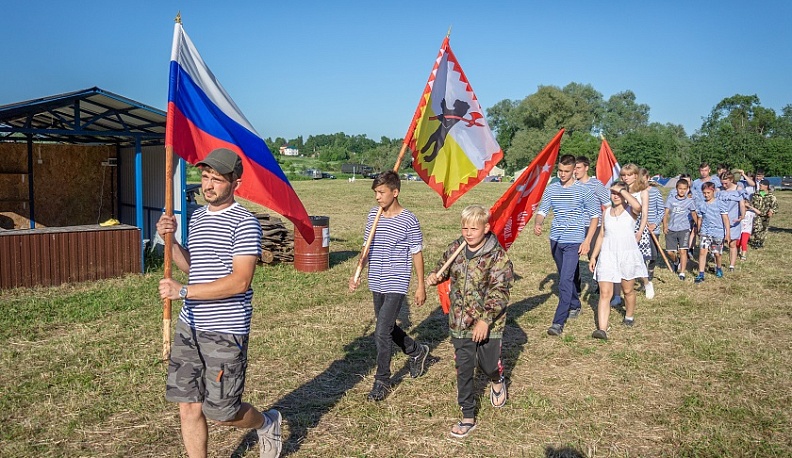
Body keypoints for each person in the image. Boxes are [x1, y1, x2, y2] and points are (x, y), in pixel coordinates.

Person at [156, 148, 282, 458]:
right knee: (188, 405)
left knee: (222, 412)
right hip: (190, 325)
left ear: (235, 183)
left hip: (225, 330)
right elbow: (192, 266)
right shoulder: (197, 217)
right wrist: (169, 241)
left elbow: (240, 281)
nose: (208, 185)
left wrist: (183, 292)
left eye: (217, 179)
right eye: (204, 177)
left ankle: (266, 422)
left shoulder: (245, 224)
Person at [426, 205, 514, 438]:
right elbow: (443, 269)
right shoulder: (456, 248)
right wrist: (435, 276)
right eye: (464, 227)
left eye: (473, 228)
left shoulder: (498, 256)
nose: (468, 232)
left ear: (486, 228)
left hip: (488, 324)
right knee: (464, 368)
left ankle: (497, 379)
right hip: (459, 322)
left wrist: (485, 321)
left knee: (487, 365)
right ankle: (467, 415)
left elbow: (500, 291)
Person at [349, 171, 429, 402]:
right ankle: (417, 351)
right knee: (389, 328)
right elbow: (366, 249)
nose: (377, 197)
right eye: (375, 192)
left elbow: (417, 253)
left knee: (381, 332)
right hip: (377, 280)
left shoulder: (409, 220)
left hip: (396, 281)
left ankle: (382, 380)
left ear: (395, 192)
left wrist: (420, 285)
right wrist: (357, 273)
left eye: (381, 192)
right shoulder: (374, 216)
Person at [534, 154, 600, 336]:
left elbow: (595, 216)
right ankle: (575, 304)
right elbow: (542, 210)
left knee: (564, 280)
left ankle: (557, 322)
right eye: (560, 170)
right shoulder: (552, 188)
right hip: (555, 239)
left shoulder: (584, 190)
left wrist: (587, 241)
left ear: (574, 171)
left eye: (567, 171)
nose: (562, 174)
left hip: (574, 240)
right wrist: (538, 222)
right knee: (566, 278)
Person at [589, 182, 648, 337]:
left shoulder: (631, 211)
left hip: (626, 255)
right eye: (613, 193)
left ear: (625, 194)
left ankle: (629, 316)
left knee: (627, 290)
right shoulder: (606, 212)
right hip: (607, 255)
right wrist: (594, 256)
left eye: (619, 193)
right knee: (604, 293)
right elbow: (602, 234)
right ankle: (602, 329)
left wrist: (622, 190)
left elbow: (639, 207)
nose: (615, 196)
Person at [610, 164, 654, 305]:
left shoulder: (643, 192)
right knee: (617, 262)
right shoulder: (620, 191)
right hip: (622, 229)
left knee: (637, 262)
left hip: (637, 229)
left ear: (636, 175)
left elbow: (644, 213)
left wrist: (640, 231)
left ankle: (647, 283)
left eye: (629, 175)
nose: (626, 178)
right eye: (623, 175)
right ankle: (617, 295)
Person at [574, 156, 611, 297]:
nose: (575, 171)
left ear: (586, 168)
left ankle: (600, 284)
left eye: (578, 168)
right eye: (574, 168)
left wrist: (606, 225)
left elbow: (607, 205)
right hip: (576, 226)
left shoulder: (596, 184)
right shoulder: (572, 184)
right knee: (572, 257)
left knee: (595, 256)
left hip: (594, 226)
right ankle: (575, 286)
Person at [694, 182, 730, 283]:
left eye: (708, 192)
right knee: (702, 252)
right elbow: (700, 219)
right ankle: (701, 274)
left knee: (717, 253)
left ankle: (718, 267)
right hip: (705, 231)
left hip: (717, 232)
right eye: (704, 193)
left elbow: (725, 219)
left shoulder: (720, 204)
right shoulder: (701, 205)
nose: (706, 195)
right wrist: (699, 229)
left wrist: (727, 233)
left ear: (713, 191)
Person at [662, 179, 698, 280]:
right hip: (672, 228)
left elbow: (694, 214)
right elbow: (665, 214)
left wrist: (698, 226)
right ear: (676, 189)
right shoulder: (671, 200)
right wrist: (665, 225)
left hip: (684, 229)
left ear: (687, 189)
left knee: (683, 251)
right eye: (680, 189)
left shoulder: (690, 201)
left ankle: (682, 272)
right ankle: (675, 261)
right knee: (669, 252)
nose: (682, 191)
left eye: (684, 189)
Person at [718, 171, 746, 271]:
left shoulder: (738, 189)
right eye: (722, 183)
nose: (724, 185)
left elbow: (742, 204)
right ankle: (718, 264)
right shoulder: (719, 190)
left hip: (734, 220)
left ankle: (732, 265)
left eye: (726, 183)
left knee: (732, 244)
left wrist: (742, 216)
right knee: (719, 243)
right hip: (720, 221)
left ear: (731, 180)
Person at [642, 168, 665, 281]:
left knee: (654, 254)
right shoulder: (636, 193)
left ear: (648, 178)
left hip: (653, 228)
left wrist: (654, 224)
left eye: (644, 179)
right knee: (641, 253)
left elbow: (661, 210)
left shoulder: (655, 192)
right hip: (641, 228)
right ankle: (642, 273)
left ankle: (650, 269)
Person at [749, 179, 779, 248]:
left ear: (766, 186)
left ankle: (761, 241)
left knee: (764, 229)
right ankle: (757, 241)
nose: (759, 186)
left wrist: (771, 211)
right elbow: (752, 203)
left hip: (765, 216)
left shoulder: (771, 197)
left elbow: (775, 207)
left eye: (761, 185)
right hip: (757, 214)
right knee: (757, 227)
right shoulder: (756, 194)